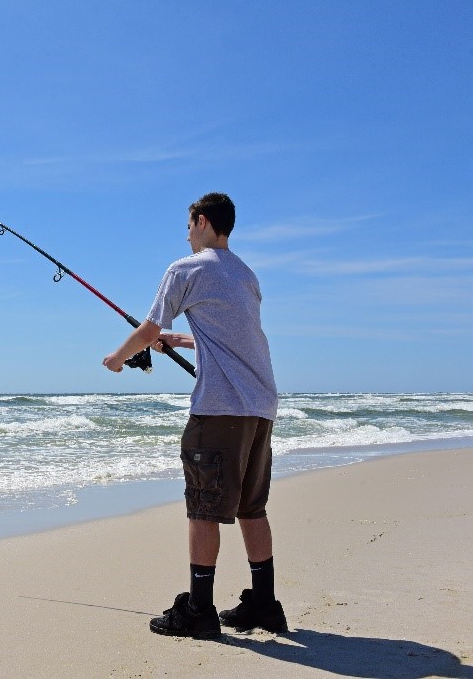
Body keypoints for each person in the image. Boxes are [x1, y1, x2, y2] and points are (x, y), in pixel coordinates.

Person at [102, 192, 287, 640]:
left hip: (220, 411)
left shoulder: (186, 269)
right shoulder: (245, 275)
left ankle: (199, 611)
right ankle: (264, 604)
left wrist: (117, 356)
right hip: (260, 408)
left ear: (202, 222)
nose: (186, 235)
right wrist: (178, 341)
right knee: (251, 506)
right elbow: (227, 336)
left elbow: (146, 328)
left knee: (204, 509)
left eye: (188, 226)